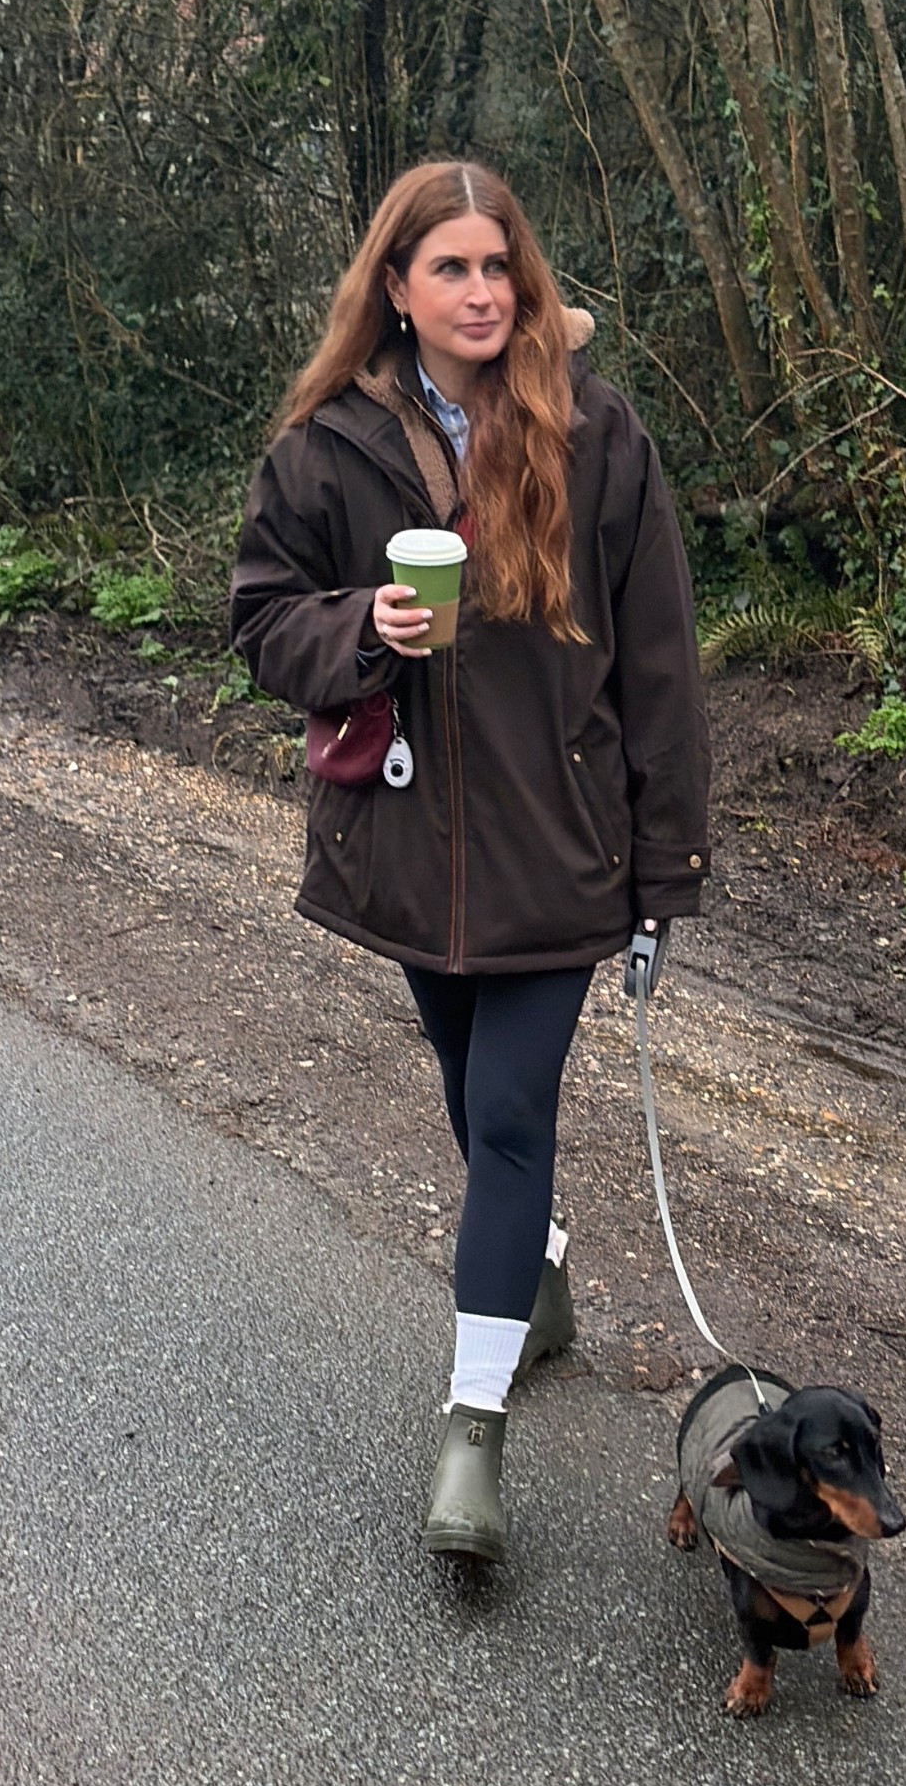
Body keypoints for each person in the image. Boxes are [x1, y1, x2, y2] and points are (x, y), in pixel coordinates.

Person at [229, 159, 709, 1563]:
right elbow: (261, 620)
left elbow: (663, 666)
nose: (482, 292)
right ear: (396, 286)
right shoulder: (328, 446)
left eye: (500, 266)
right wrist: (361, 628)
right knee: (470, 1094)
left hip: (563, 851)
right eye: (451, 267)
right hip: (409, 845)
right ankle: (538, 1279)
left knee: (505, 1114)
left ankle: (472, 1432)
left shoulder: (597, 434)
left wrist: (663, 877)